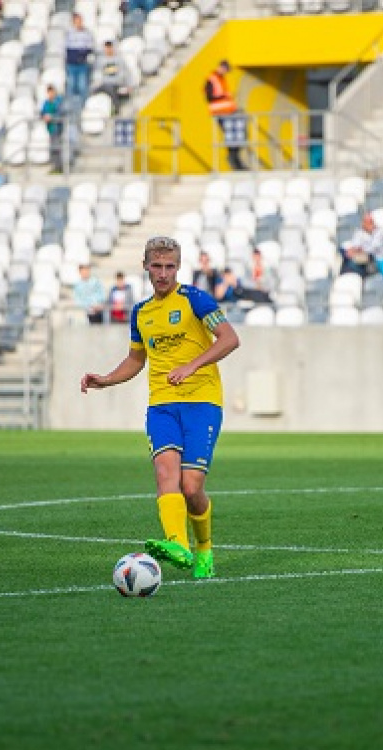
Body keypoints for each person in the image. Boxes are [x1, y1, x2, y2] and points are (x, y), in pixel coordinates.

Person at [80, 235, 240, 580]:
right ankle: (177, 544)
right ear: (146, 266)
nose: (163, 273)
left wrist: (191, 366)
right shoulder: (141, 312)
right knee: (166, 475)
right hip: (162, 406)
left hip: (202, 402)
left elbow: (229, 338)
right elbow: (136, 359)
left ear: (178, 267)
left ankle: (204, 549)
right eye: (157, 266)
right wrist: (106, 379)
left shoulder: (196, 300)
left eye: (169, 266)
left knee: (192, 487)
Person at [205, 60, 246, 171]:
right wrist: (224, 95)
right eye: (226, 69)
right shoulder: (212, 79)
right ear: (221, 67)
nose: (226, 72)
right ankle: (233, 159)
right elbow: (209, 97)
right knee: (231, 135)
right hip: (220, 112)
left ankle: (236, 159)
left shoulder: (221, 79)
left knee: (240, 134)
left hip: (229, 112)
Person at [339, 212, 383, 278]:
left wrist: (358, 250)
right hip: (362, 257)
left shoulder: (381, 232)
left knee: (351, 265)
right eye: (365, 222)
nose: (368, 224)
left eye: (370, 222)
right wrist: (352, 250)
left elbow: (373, 248)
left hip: (378, 258)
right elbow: (355, 244)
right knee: (345, 255)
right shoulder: (359, 232)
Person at [92, 40, 131, 113]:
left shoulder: (119, 60)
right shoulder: (100, 60)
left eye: (110, 47)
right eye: (107, 48)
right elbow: (97, 73)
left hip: (115, 83)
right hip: (104, 83)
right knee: (94, 91)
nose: (108, 50)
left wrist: (128, 85)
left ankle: (116, 107)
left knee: (110, 88)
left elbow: (125, 73)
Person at [65, 12, 95, 108]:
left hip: (82, 63)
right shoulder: (69, 33)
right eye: (77, 21)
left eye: (80, 20)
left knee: (82, 86)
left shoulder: (87, 33)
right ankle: (71, 108)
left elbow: (90, 47)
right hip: (71, 63)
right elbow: (66, 47)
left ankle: (83, 107)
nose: (79, 23)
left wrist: (82, 54)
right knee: (71, 86)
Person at [40, 85, 64, 172]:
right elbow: (42, 112)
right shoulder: (46, 102)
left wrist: (52, 117)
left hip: (57, 128)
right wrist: (44, 116)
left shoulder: (58, 102)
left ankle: (59, 166)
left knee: (57, 147)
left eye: (51, 92)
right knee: (52, 147)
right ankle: (54, 166)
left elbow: (61, 113)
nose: (50, 94)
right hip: (50, 128)